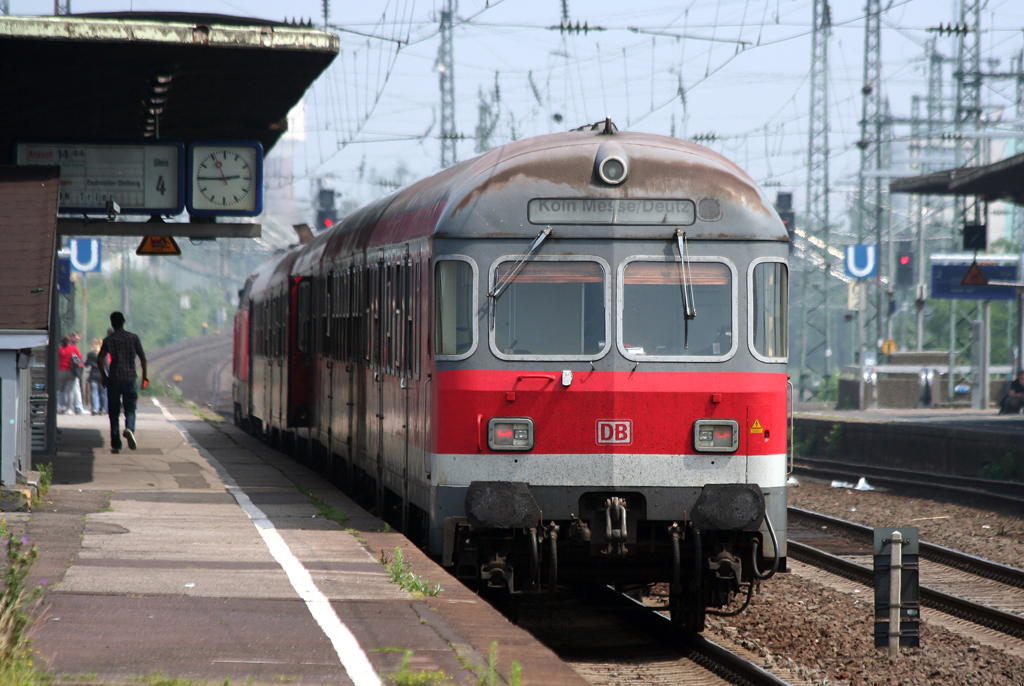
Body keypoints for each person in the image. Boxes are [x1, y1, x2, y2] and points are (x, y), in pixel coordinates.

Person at [98, 312, 148, 453]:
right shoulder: (133, 338)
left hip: (114, 380)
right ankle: (129, 429)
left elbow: (100, 358)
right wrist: (145, 376)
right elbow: (143, 358)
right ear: (123, 322)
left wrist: (103, 376)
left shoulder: (108, 340)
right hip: (130, 379)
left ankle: (116, 443)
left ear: (112, 323)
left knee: (114, 413)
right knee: (130, 409)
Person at [57, 334, 85, 414]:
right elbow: (79, 358)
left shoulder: (60, 349)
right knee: (69, 391)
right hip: (70, 372)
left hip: (61, 371)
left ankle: (61, 407)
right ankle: (69, 409)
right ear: (69, 341)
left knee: (61, 390)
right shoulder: (73, 348)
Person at [85, 338, 108, 416]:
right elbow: (107, 365)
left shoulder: (90, 354)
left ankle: (95, 409)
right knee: (103, 393)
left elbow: (86, 364)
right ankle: (103, 409)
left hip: (93, 374)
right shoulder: (104, 353)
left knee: (94, 392)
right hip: (102, 374)